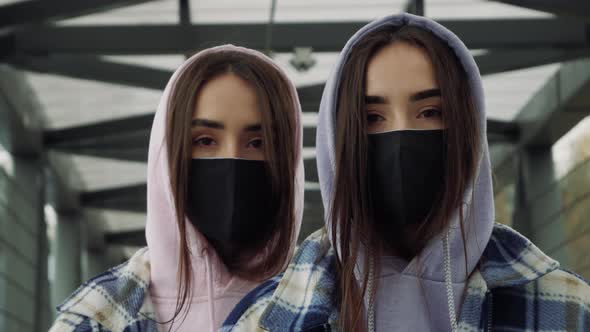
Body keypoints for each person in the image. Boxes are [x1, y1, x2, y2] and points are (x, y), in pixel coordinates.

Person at [221, 14, 590, 332]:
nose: (401, 141)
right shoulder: (263, 321)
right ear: (339, 140)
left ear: (469, 130)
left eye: (430, 112)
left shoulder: (567, 309)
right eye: (372, 119)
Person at [49, 45, 305, 332]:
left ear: (289, 157)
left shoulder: (330, 306)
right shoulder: (94, 318)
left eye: (259, 143)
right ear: (168, 152)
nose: (232, 161)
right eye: (206, 140)